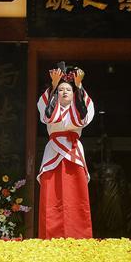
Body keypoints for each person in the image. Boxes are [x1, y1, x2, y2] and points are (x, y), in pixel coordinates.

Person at [36, 63, 94, 239]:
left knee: (76, 196)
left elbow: (84, 116)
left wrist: (79, 85)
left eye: (68, 89)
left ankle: (79, 235)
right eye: (61, 90)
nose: (64, 92)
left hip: (73, 151)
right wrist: (53, 85)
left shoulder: (78, 108)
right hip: (53, 150)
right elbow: (45, 114)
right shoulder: (49, 105)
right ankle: (50, 236)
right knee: (51, 195)